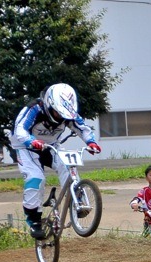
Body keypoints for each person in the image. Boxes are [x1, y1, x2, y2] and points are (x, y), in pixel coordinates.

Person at [11, 83, 101, 239]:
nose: (61, 117)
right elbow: (20, 129)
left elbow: (82, 127)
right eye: (58, 113)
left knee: (67, 166)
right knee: (36, 178)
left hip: (51, 145)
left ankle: (77, 200)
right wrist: (30, 141)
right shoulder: (34, 109)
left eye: (64, 114)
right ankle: (34, 221)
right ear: (49, 104)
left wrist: (91, 142)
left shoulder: (68, 114)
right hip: (26, 147)